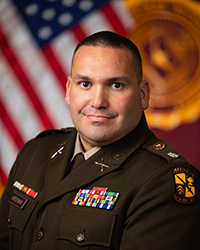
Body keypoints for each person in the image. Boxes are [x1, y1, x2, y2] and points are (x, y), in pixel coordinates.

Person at [0, 31, 199, 250]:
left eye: (116, 85)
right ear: (68, 90)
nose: (97, 102)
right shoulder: (35, 152)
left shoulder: (163, 181)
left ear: (143, 94)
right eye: (85, 84)